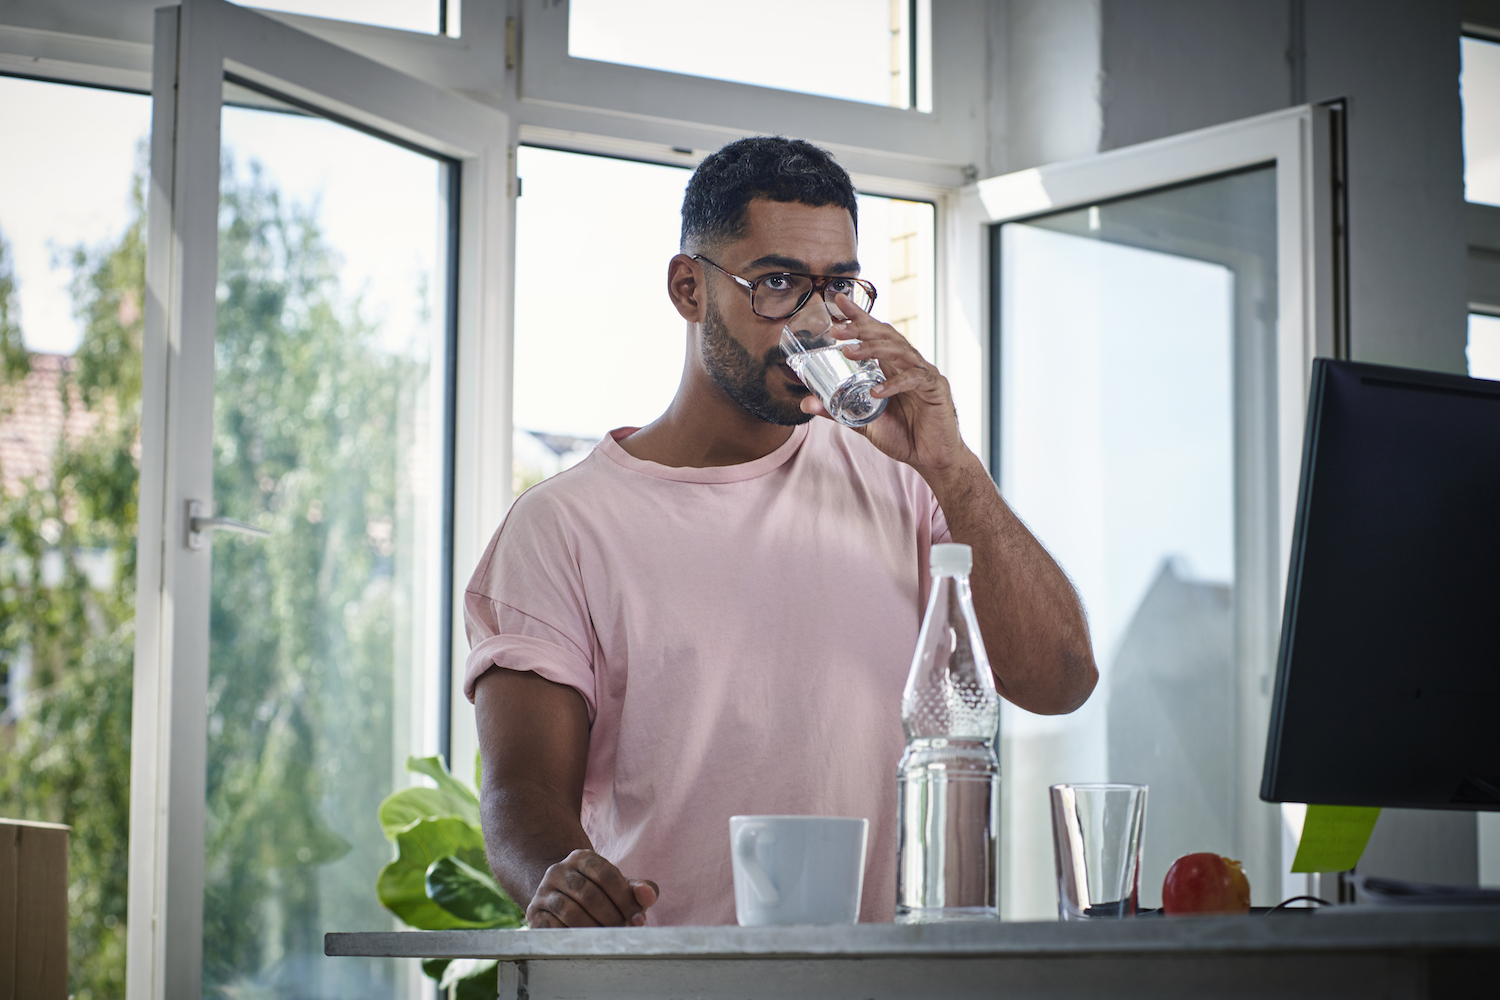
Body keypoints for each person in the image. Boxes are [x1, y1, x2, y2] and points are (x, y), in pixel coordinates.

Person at [464, 136, 1097, 929]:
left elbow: (1061, 679)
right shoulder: (563, 526)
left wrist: (953, 464)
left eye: (835, 288)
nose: (813, 318)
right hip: (681, 986)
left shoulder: (908, 480)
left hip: (893, 986)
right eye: (776, 282)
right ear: (688, 288)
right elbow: (519, 795)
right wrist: (568, 886)